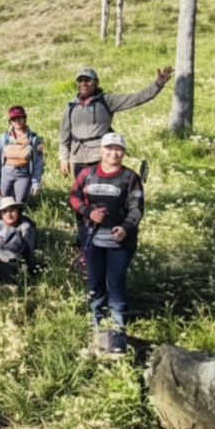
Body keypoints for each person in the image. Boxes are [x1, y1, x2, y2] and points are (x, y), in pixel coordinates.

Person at [59, 65, 172, 249]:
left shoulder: (107, 100)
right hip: (78, 157)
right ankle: (82, 238)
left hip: (101, 157)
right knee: (80, 199)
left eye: (87, 80)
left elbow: (136, 98)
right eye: (80, 80)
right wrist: (64, 158)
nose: (83, 83)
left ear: (96, 83)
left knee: (103, 199)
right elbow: (64, 134)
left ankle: (108, 237)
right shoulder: (70, 106)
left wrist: (157, 85)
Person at [69, 133, 144, 354]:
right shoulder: (87, 173)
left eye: (118, 149)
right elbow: (74, 196)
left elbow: (137, 208)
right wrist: (88, 212)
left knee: (115, 282)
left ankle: (118, 328)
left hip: (120, 241)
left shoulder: (130, 177)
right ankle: (97, 323)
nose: (113, 153)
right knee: (94, 282)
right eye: (109, 148)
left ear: (124, 152)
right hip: (92, 239)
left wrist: (125, 227)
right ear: (101, 150)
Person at [0, 105, 45, 204]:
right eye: (14, 119)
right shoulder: (3, 138)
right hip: (5, 174)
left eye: (20, 118)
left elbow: (38, 163)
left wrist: (35, 182)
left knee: (20, 203)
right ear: (10, 121)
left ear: (25, 119)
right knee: (2, 202)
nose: (17, 122)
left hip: (23, 174)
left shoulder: (33, 138)